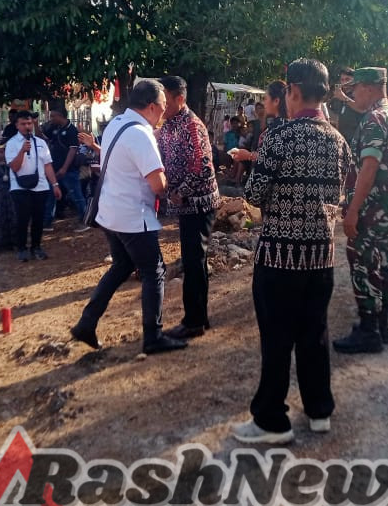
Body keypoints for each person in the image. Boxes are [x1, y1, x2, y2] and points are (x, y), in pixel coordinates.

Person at [232, 58, 353, 443]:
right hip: (321, 258)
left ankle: (271, 420)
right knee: (314, 333)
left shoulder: (280, 137)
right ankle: (319, 410)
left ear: (294, 91)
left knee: (278, 339)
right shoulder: (337, 139)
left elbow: (252, 195)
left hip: (280, 260)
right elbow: (342, 190)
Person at [69, 79, 188, 355]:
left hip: (111, 213)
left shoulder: (116, 124)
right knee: (154, 271)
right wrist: (172, 186)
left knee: (121, 266)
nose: (163, 112)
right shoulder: (141, 134)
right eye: (162, 106)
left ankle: (86, 323)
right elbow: (158, 184)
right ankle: (153, 336)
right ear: (150, 106)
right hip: (133, 216)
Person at [333, 67, 388, 353]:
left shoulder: (375, 119)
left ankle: (369, 329)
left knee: (363, 266)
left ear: (369, 87)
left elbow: (369, 167)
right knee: (383, 263)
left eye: (355, 90)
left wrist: (352, 211)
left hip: (369, 208)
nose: (353, 95)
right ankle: (382, 323)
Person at [156, 76, 222, 339]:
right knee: (193, 261)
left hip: (199, 204)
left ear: (179, 99)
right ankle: (198, 318)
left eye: (165, 99)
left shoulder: (192, 125)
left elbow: (203, 167)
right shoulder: (169, 124)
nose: (160, 104)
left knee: (194, 262)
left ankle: (194, 321)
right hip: (184, 205)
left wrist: (180, 192)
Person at [5, 110, 62, 261]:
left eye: (29, 123)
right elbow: (14, 167)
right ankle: (22, 248)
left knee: (38, 219)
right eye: (23, 124)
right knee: (22, 219)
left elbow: (48, 165)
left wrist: (54, 184)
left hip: (40, 186)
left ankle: (36, 246)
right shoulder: (11, 144)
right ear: (17, 125)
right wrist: (23, 151)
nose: (27, 126)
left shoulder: (41, 143)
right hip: (20, 187)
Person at [43, 106, 91, 233]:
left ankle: (85, 220)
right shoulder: (54, 127)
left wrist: (64, 168)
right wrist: (36, 124)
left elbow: (73, 149)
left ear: (60, 115)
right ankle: (47, 222)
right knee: (50, 195)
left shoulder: (71, 130)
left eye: (53, 116)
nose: (51, 118)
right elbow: (42, 136)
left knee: (76, 195)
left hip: (68, 170)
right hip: (54, 169)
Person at [229, 80, 287, 165]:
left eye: (266, 98)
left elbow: (272, 159)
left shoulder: (278, 128)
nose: (264, 103)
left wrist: (249, 155)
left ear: (276, 101)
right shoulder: (279, 124)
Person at [328, 66, 362, 146]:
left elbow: (361, 108)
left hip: (356, 142)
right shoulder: (337, 99)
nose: (344, 83)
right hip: (341, 141)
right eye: (342, 80)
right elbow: (335, 117)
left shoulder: (359, 95)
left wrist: (344, 98)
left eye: (347, 79)